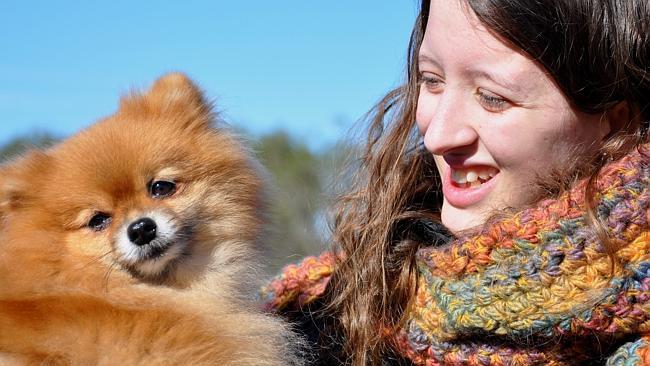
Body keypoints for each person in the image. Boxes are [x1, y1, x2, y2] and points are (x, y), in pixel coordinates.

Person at [263, 0, 649, 364]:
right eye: (431, 80)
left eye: (492, 97)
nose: (438, 136)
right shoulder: (320, 313)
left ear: (616, 123)